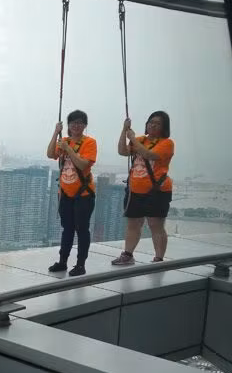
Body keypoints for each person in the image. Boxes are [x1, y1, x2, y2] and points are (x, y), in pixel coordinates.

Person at [112, 111, 174, 265]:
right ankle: (128, 254)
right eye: (150, 122)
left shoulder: (166, 143)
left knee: (156, 224)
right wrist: (124, 130)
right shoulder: (140, 140)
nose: (152, 125)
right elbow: (122, 151)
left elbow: (149, 154)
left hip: (157, 190)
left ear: (164, 127)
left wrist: (132, 138)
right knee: (133, 224)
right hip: (135, 189)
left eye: (157, 123)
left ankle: (158, 258)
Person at [46, 110, 97, 276]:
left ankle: (80, 264)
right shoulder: (64, 141)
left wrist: (68, 148)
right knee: (67, 228)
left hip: (83, 194)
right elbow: (50, 154)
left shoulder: (89, 142)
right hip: (65, 193)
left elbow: (83, 165)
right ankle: (62, 262)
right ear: (68, 125)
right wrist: (56, 132)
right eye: (73, 122)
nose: (76, 125)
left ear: (85, 125)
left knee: (82, 229)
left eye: (80, 123)